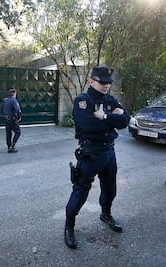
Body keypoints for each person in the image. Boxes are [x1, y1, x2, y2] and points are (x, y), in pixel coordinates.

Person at [64, 65, 130, 249]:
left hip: (109, 152)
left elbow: (125, 120)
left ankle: (106, 214)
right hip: (90, 153)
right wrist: (111, 120)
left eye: (108, 82)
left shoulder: (110, 100)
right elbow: (88, 126)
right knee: (80, 191)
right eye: (102, 82)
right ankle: (69, 225)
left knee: (110, 189)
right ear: (91, 81)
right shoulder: (82, 101)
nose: (106, 85)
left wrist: (104, 116)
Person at [1, 88, 22, 153]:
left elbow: (1, 108)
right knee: (18, 132)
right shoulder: (14, 101)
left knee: (8, 133)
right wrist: (19, 117)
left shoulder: (5, 100)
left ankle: (8, 147)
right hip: (12, 119)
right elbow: (18, 110)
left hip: (6, 119)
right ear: (14, 94)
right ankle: (13, 146)